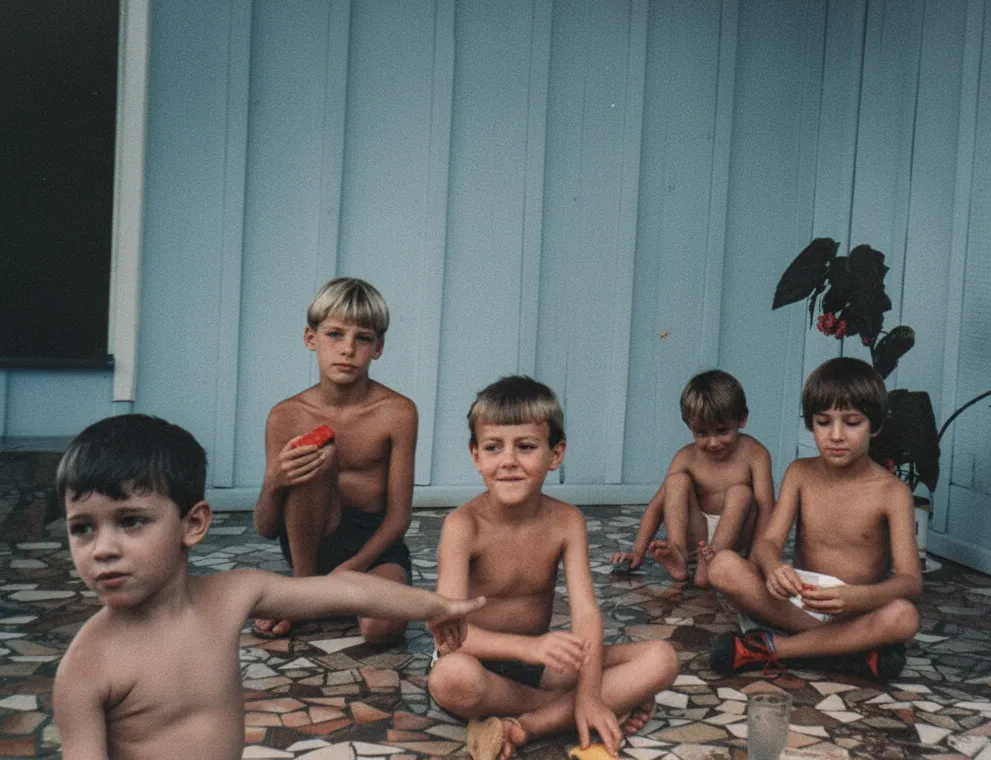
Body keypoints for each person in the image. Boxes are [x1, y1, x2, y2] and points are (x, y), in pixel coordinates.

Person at [52, 414, 483, 760]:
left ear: (193, 524)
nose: (102, 549)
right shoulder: (89, 666)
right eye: (83, 528)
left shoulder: (231, 596)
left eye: (130, 521)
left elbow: (350, 591)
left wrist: (433, 605)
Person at [427, 376, 679, 760]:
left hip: (542, 667)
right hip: (476, 662)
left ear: (555, 454)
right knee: (450, 679)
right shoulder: (464, 526)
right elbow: (450, 635)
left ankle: (528, 725)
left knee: (662, 658)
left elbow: (586, 614)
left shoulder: (566, 521)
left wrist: (591, 690)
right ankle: (573, 709)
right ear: (476, 456)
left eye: (525, 446)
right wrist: (533, 649)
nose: (509, 460)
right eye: (494, 447)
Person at [705, 357, 921, 680]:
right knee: (722, 566)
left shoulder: (892, 492)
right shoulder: (800, 473)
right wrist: (774, 567)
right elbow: (768, 542)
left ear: (874, 426)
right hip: (798, 605)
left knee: (904, 616)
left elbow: (910, 582)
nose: (836, 435)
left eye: (851, 423)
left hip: (854, 609)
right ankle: (847, 651)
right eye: (823, 422)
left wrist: (854, 598)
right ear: (810, 423)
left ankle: (774, 649)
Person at [252, 277, 419, 641]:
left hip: (373, 548)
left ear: (378, 347)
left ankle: (319, 595)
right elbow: (265, 527)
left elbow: (398, 517)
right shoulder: (286, 416)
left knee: (382, 629)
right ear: (310, 339)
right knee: (318, 454)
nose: (347, 349)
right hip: (309, 548)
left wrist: (349, 572)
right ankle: (304, 589)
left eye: (363, 338)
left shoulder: (398, 413)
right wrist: (275, 481)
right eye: (334, 335)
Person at [610, 370, 774, 586]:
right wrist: (637, 553)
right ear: (689, 425)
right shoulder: (686, 457)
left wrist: (756, 561)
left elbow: (767, 508)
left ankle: (713, 560)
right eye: (702, 433)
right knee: (676, 481)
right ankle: (678, 554)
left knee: (741, 491)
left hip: (735, 537)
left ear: (741, 419)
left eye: (722, 431)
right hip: (696, 535)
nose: (713, 442)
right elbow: (656, 507)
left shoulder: (756, 454)